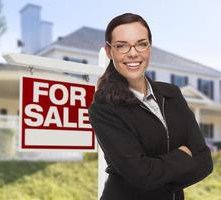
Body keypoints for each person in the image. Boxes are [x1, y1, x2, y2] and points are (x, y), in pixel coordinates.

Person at [88, 13, 213, 200]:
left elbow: (204, 161)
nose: (133, 53)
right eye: (121, 46)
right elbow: (142, 176)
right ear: (109, 51)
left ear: (149, 48)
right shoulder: (104, 108)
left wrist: (156, 178)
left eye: (141, 43)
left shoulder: (172, 94)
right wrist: (183, 156)